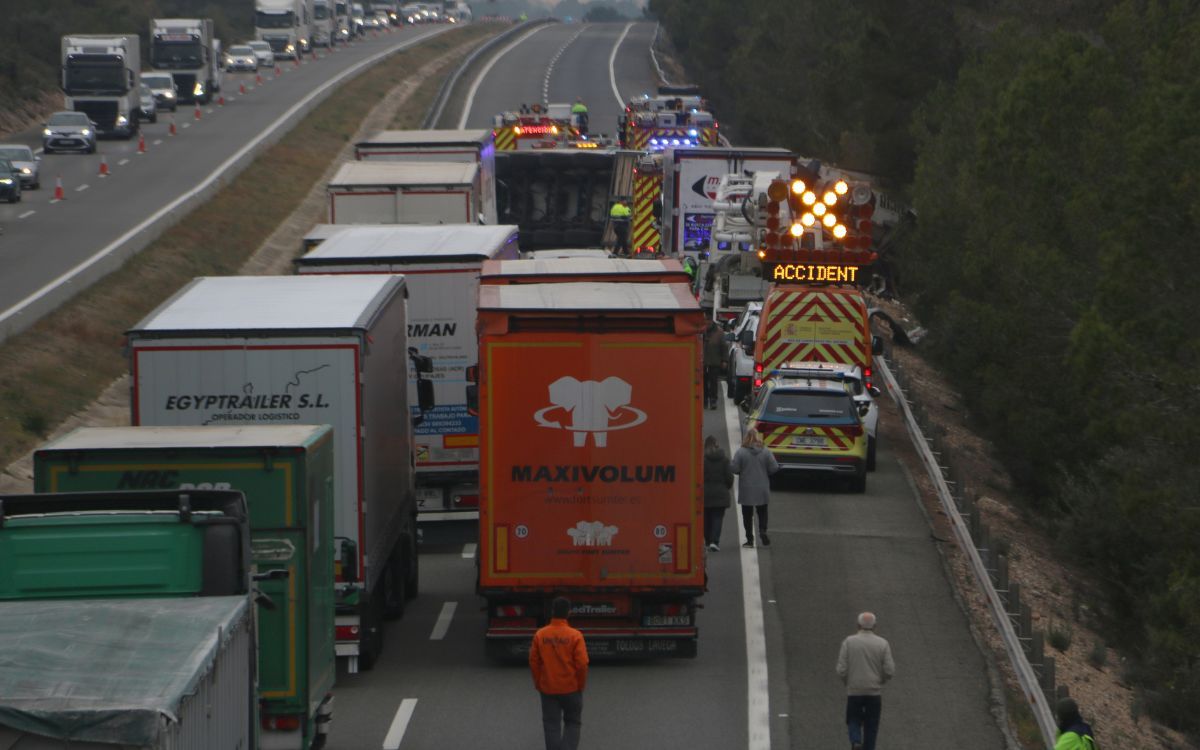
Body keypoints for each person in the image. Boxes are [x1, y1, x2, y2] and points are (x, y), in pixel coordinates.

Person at [529, 597, 589, 750]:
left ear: (552, 612)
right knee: (573, 722)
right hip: (571, 688)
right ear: (568, 613)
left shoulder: (540, 635)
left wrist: (539, 682)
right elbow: (582, 664)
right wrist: (580, 685)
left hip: (548, 688)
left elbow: (534, 662)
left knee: (551, 724)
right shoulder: (575, 636)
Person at [836, 611, 895, 750]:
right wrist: (880, 681)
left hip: (854, 690)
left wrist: (847, 682)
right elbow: (889, 670)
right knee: (872, 725)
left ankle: (855, 739)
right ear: (875, 626)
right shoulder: (882, 644)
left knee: (853, 718)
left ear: (858, 625)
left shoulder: (849, 642)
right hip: (874, 692)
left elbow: (841, 669)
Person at [730, 428, 778, 547]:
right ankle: (762, 531)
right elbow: (774, 468)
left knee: (747, 515)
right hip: (762, 487)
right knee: (762, 511)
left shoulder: (741, 452)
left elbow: (734, 469)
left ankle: (750, 539)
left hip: (747, 488)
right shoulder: (766, 451)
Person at [703, 435, 733, 551]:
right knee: (717, 518)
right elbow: (729, 478)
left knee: (706, 519)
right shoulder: (724, 460)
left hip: (705, 494)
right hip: (720, 494)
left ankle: (707, 540)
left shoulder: (703, 460)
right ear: (717, 445)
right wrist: (725, 488)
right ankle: (715, 541)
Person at [703, 320, 725, 409]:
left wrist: (724, 360)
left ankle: (713, 401)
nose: (707, 325)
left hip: (714, 361)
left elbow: (724, 346)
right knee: (703, 383)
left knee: (713, 383)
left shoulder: (719, 332)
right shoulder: (700, 330)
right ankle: (704, 401)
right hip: (702, 362)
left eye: (708, 323)